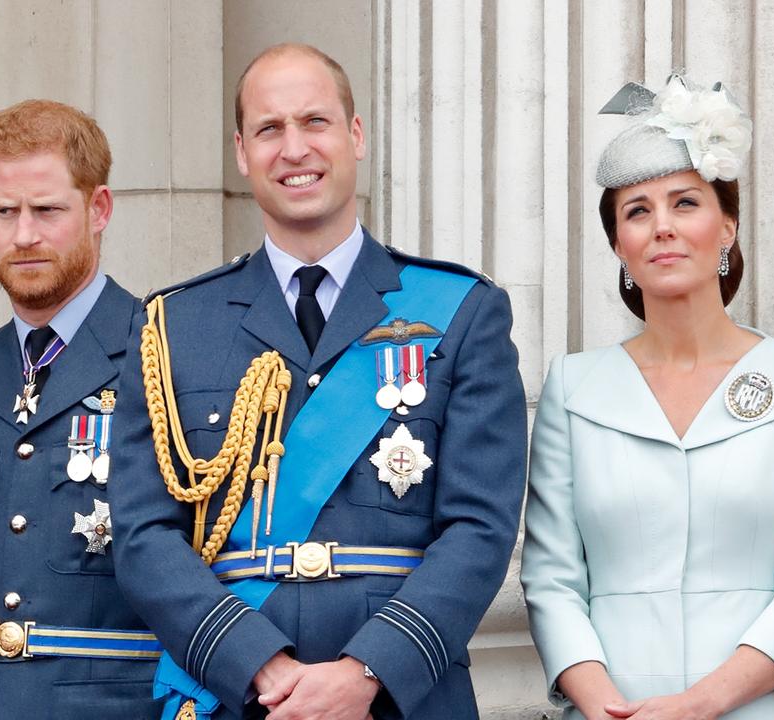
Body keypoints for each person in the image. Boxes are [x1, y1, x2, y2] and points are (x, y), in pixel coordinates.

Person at [110, 43, 527, 720]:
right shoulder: (173, 325)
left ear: (355, 136)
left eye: (315, 122)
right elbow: (142, 535)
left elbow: (480, 527)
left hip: (400, 697)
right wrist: (258, 667)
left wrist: (367, 673)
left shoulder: (461, 311)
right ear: (242, 152)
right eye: (270, 129)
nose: (294, 148)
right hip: (240, 696)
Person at [521, 75, 774, 720]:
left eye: (685, 203)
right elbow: (552, 579)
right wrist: (607, 707)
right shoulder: (573, 387)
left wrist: (700, 705)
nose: (662, 227)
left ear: (727, 226)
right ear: (619, 246)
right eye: (638, 211)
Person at [0, 99, 161, 719]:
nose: (24, 235)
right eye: (5, 211)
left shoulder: (165, 359)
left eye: (48, 210)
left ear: (98, 209)